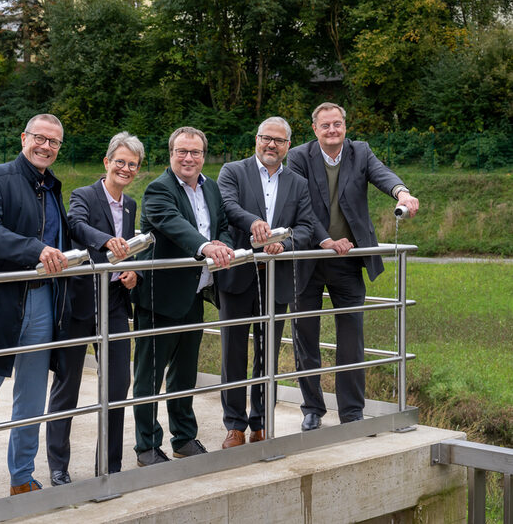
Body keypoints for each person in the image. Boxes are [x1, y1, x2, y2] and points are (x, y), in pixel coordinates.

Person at [287, 102, 419, 431]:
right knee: (306, 338)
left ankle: (351, 413)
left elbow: (382, 175)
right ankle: (312, 409)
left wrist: (401, 192)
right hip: (306, 259)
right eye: (325, 126)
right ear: (314, 129)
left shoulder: (360, 152)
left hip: (347, 261)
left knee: (351, 340)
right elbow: (301, 206)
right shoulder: (299, 157)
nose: (332, 130)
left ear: (345, 126)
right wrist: (325, 241)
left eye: (338, 124)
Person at [131, 126, 234, 464]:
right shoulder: (159, 189)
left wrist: (223, 245)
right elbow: (173, 223)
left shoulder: (212, 187)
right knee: (149, 375)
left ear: (204, 155)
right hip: (160, 297)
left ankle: (184, 438)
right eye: (182, 152)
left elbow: (223, 226)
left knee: (185, 373)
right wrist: (205, 247)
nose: (189, 158)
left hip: (195, 294)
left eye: (196, 152)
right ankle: (146, 446)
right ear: (171, 154)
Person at [46, 132, 143, 485]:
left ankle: (110, 464)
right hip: (80, 302)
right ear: (106, 162)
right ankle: (59, 466)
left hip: (115, 301)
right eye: (120, 161)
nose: (125, 168)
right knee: (67, 386)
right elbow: (76, 225)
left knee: (118, 385)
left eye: (132, 164)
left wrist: (131, 272)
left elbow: (126, 251)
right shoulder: (84, 194)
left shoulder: (130, 205)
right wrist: (106, 241)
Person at [216, 117, 313, 448]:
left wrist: (283, 244)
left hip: (275, 277)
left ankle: (260, 422)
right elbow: (226, 206)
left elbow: (307, 227)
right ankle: (235, 425)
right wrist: (255, 222)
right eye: (265, 139)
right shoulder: (233, 171)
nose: (271, 145)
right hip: (238, 274)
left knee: (266, 352)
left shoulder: (298, 183)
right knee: (233, 351)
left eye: (279, 141)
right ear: (256, 139)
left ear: (288, 145)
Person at [0, 114, 70, 499]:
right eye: (40, 138)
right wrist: (36, 250)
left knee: (32, 396)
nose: (46, 147)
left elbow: (62, 235)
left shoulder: (52, 187)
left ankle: (22, 476)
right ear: (24, 137)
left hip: (41, 300)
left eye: (54, 142)